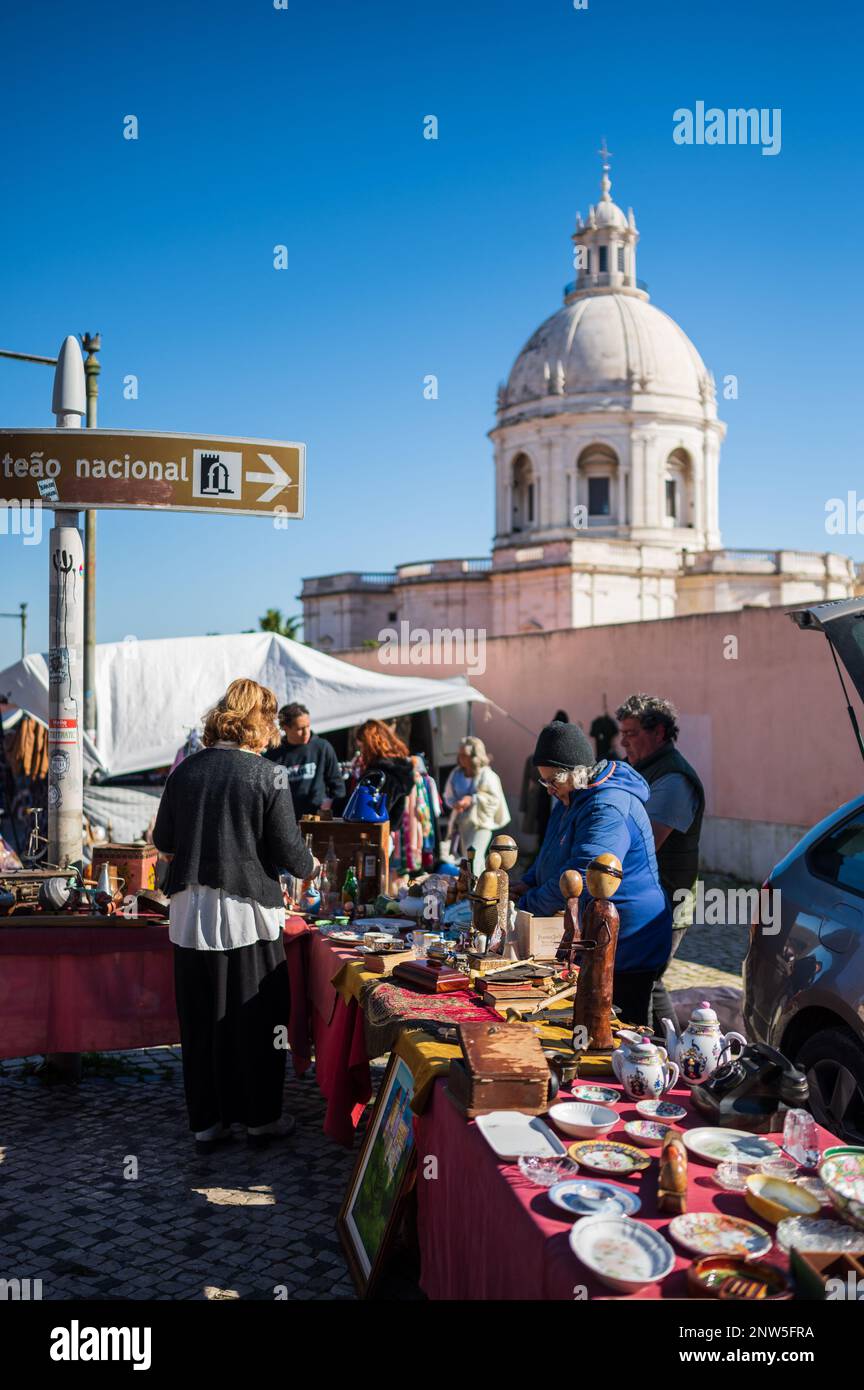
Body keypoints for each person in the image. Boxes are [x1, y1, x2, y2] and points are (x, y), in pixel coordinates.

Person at [153, 678, 317, 1155]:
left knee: (202, 1022)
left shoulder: (185, 772)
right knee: (258, 1018)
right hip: (249, 912)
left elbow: (164, 842)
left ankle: (207, 1123)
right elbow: (290, 850)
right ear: (260, 723)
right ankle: (261, 1120)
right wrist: (313, 867)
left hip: (189, 913)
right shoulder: (268, 774)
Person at [510, 720, 671, 1026]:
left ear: (577, 771)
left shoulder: (607, 806)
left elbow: (581, 875)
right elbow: (551, 856)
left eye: (553, 780)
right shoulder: (570, 797)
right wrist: (528, 883)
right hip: (601, 932)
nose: (550, 789)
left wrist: (526, 906)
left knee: (625, 1024)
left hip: (628, 933)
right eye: (544, 782)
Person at [616, 693, 706, 1036]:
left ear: (660, 732)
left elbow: (645, 843)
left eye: (632, 733)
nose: (624, 741)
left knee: (643, 978)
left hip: (667, 902)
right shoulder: (642, 770)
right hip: (650, 898)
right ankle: (666, 1050)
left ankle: (652, 1054)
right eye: (622, 733)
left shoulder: (674, 779)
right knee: (648, 980)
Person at [263, 702, 345, 819]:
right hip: (286, 821)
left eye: (308, 726)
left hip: (317, 820)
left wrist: (329, 806)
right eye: (300, 729)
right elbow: (269, 793)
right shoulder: (274, 754)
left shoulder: (322, 747)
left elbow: (338, 787)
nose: (306, 732)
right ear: (285, 728)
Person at [443, 736, 510, 870]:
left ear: (474, 756)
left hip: (480, 824)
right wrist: (455, 804)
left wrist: (473, 799)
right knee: (466, 859)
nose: (460, 758)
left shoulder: (487, 775)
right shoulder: (456, 774)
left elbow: (494, 799)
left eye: (464, 755)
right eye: (459, 754)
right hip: (463, 824)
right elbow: (448, 795)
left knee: (475, 856)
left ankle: (477, 886)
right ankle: (470, 887)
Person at [354, 719, 416, 824]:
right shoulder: (399, 769)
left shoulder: (377, 773)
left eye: (362, 747)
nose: (361, 752)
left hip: (374, 832)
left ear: (370, 745)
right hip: (390, 832)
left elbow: (366, 813)